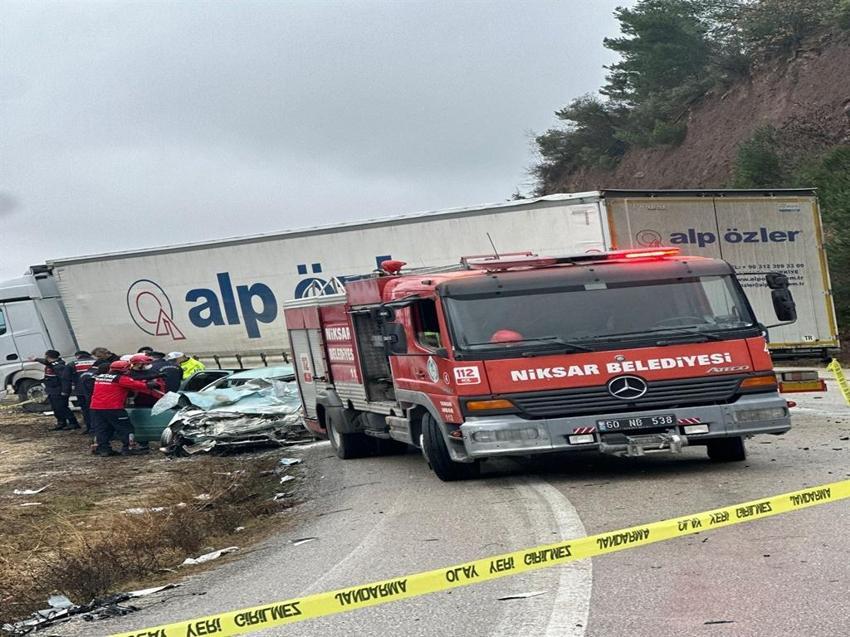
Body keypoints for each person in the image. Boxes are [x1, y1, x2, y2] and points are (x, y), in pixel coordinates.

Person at [89, 360, 160, 457]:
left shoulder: (100, 377)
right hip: (113, 408)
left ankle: (103, 449)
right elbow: (141, 385)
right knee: (125, 428)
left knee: (103, 428)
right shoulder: (121, 379)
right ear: (126, 369)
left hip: (96, 407)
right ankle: (129, 448)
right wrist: (153, 383)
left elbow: (131, 379)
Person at [31, 350, 79, 431]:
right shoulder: (52, 363)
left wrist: (65, 391)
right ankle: (61, 422)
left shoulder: (58, 366)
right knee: (56, 408)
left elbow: (65, 379)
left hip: (58, 390)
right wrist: (36, 359)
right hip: (52, 390)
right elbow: (46, 362)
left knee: (62, 407)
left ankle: (73, 423)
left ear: (48, 356)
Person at [70, 351, 96, 433]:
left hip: (81, 391)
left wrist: (66, 391)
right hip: (95, 389)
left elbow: (66, 377)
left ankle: (89, 428)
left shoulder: (73, 363)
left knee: (85, 409)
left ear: (77, 356)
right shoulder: (96, 362)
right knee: (96, 410)